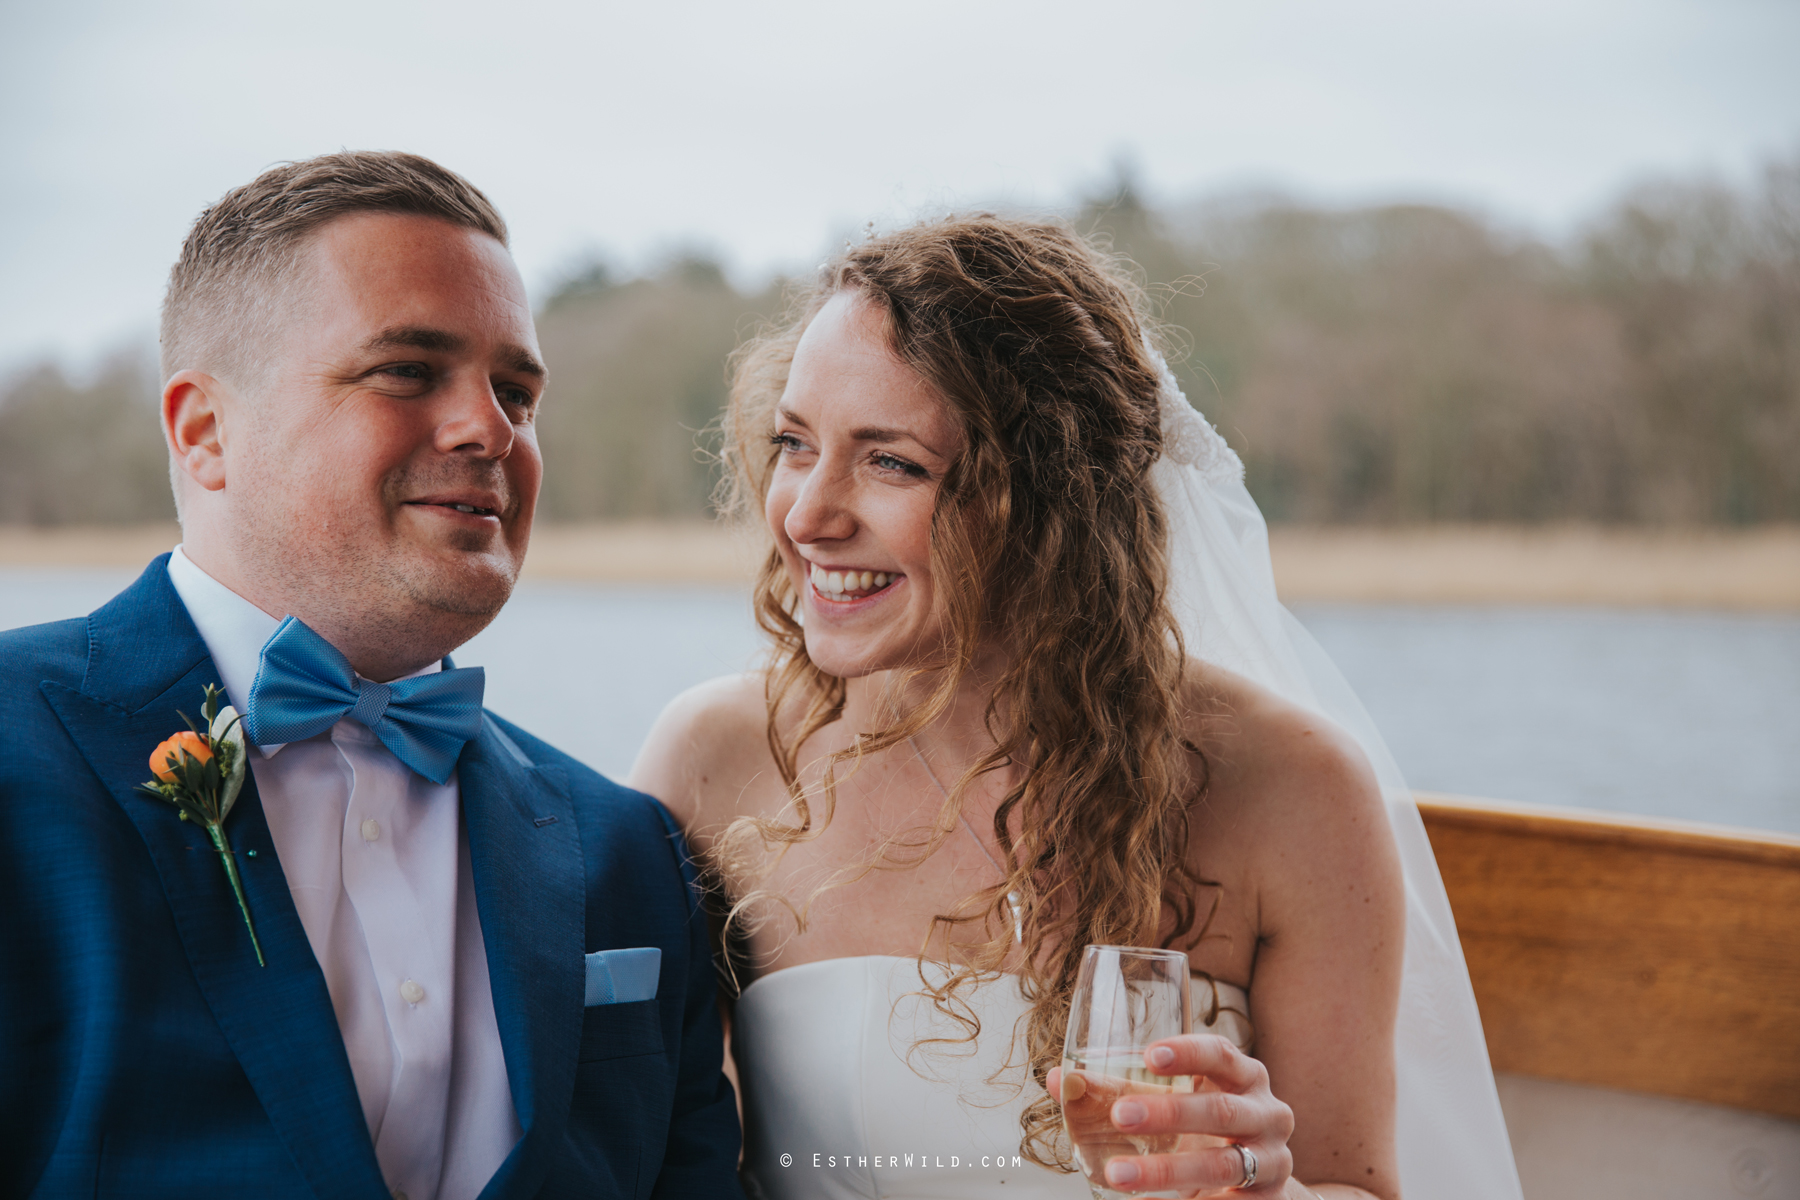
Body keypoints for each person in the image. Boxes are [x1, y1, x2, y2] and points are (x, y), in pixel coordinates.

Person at [631, 216, 1523, 1198]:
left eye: (891, 462)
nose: (806, 515)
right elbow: (636, 1144)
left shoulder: (1293, 790)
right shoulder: (715, 762)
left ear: (1050, 498)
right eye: (795, 443)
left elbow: (1358, 1181)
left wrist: (1270, 1192)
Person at [0, 152, 743, 1199]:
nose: (491, 429)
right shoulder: (12, 745)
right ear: (204, 432)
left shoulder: (628, 851)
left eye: (517, 392)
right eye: (407, 370)